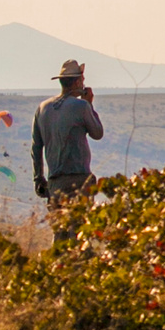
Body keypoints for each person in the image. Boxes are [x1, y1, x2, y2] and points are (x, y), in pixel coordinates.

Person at [32, 58, 105, 220]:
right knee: (77, 230)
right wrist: (89, 104)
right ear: (77, 82)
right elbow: (97, 133)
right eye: (82, 79)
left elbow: (36, 147)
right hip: (79, 179)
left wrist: (38, 177)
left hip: (54, 182)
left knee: (60, 231)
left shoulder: (43, 108)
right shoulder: (81, 106)